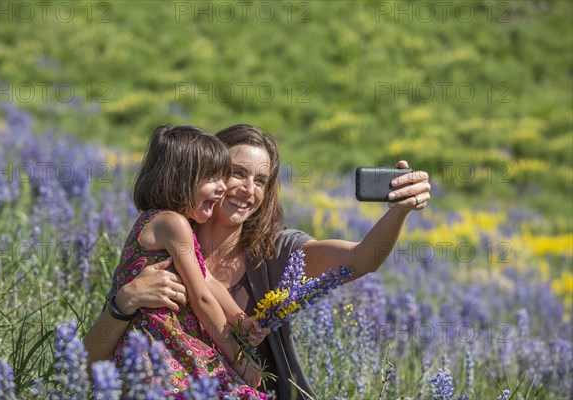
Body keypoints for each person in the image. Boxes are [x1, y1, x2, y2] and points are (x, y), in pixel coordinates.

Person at [84, 124, 431, 399]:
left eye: (261, 180)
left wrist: (399, 211)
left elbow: (362, 259)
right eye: (237, 173)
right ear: (207, 172)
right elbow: (87, 365)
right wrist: (124, 302)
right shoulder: (161, 248)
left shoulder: (277, 252)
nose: (248, 189)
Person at [98, 124, 268, 398]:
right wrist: (240, 361)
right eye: (213, 177)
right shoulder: (172, 223)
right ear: (180, 179)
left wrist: (239, 319)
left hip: (162, 344)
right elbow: (201, 298)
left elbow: (208, 281)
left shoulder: (168, 222)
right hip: (158, 350)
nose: (222, 187)